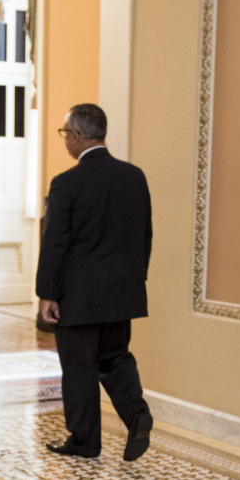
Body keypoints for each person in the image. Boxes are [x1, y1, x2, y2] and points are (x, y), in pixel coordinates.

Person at [36, 103, 153, 461]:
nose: (65, 141)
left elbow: (55, 242)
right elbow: (145, 235)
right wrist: (134, 282)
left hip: (79, 297)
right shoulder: (134, 177)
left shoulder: (67, 183)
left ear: (76, 135)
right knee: (115, 358)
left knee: (79, 368)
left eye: (65, 134)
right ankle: (138, 415)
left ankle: (85, 441)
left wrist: (46, 294)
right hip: (121, 294)